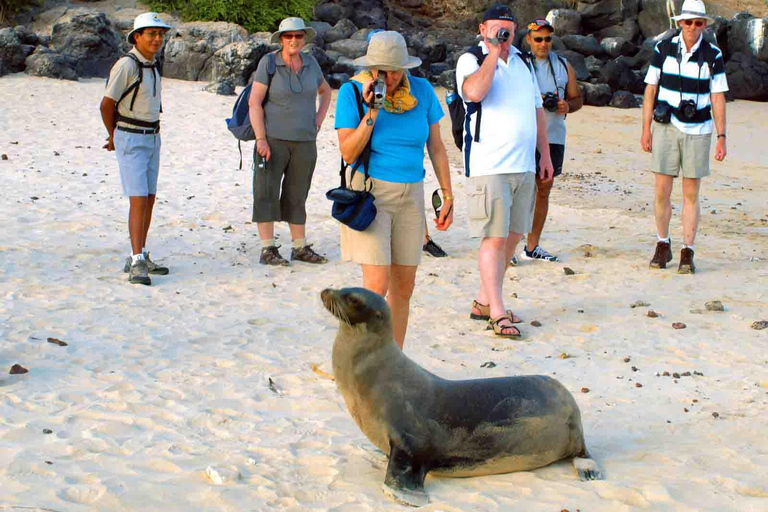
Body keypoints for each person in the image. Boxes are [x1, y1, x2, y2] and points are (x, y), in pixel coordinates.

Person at [335, 31, 454, 349]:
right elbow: (348, 152)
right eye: (381, 71)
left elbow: (437, 148)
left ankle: (393, 359)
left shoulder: (424, 91)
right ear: (371, 68)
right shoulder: (350, 93)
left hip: (411, 195)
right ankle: (360, 359)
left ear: (405, 67)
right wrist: (372, 111)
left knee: (405, 286)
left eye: (395, 70)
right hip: (370, 195)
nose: (388, 77)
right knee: (376, 285)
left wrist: (447, 194)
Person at [456, 4, 554, 338]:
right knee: (494, 238)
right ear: (482, 29)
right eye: (497, 29)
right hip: (489, 165)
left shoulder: (525, 63)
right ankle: (497, 311)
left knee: (513, 236)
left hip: (523, 164)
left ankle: (484, 300)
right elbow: (474, 93)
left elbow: (537, 110)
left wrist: (545, 155)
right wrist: (492, 55)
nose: (503, 35)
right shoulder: (471, 59)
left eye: (508, 30)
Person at [640, 0, 728, 274]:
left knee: (691, 193)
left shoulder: (712, 54)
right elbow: (650, 90)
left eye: (698, 23)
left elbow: (718, 96)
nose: (692, 27)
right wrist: (645, 129)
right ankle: (662, 244)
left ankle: (687, 251)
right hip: (665, 127)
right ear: (679, 23)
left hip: (699, 130)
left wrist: (722, 136)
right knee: (661, 191)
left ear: (704, 25)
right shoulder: (663, 48)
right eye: (687, 22)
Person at [249, 17, 332, 266]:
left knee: (298, 194)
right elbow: (254, 102)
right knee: (266, 192)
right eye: (288, 36)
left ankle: (299, 247)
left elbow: (325, 91)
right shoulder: (269, 63)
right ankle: (267, 249)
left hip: (305, 140)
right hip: (272, 140)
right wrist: (260, 139)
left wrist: (318, 119)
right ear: (281, 39)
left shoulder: (311, 63)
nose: (294, 40)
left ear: (304, 38)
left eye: (298, 36)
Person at [101, 12, 171, 285]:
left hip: (152, 137)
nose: (157, 39)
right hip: (131, 137)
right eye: (151, 34)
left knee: (149, 198)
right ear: (137, 37)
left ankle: (139, 255)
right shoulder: (126, 65)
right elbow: (106, 104)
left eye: (160, 34)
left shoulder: (152, 64)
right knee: (139, 200)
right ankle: (136, 260)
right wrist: (113, 135)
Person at [521, 17, 582, 263]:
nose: (543, 44)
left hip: (554, 135)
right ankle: (510, 246)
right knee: (519, 190)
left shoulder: (564, 65)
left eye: (547, 39)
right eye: (538, 39)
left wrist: (567, 105)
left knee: (543, 189)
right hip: (524, 135)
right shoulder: (519, 64)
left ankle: (532, 246)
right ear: (529, 39)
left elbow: (577, 100)